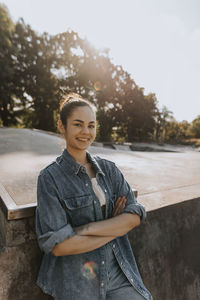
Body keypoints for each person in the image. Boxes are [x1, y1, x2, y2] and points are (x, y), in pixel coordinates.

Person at [35, 93, 153, 300]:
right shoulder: (50, 178)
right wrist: (116, 226)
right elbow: (59, 246)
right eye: (78, 124)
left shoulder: (109, 170)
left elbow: (135, 215)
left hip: (118, 274)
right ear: (62, 126)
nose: (86, 132)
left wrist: (84, 230)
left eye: (91, 125)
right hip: (78, 283)